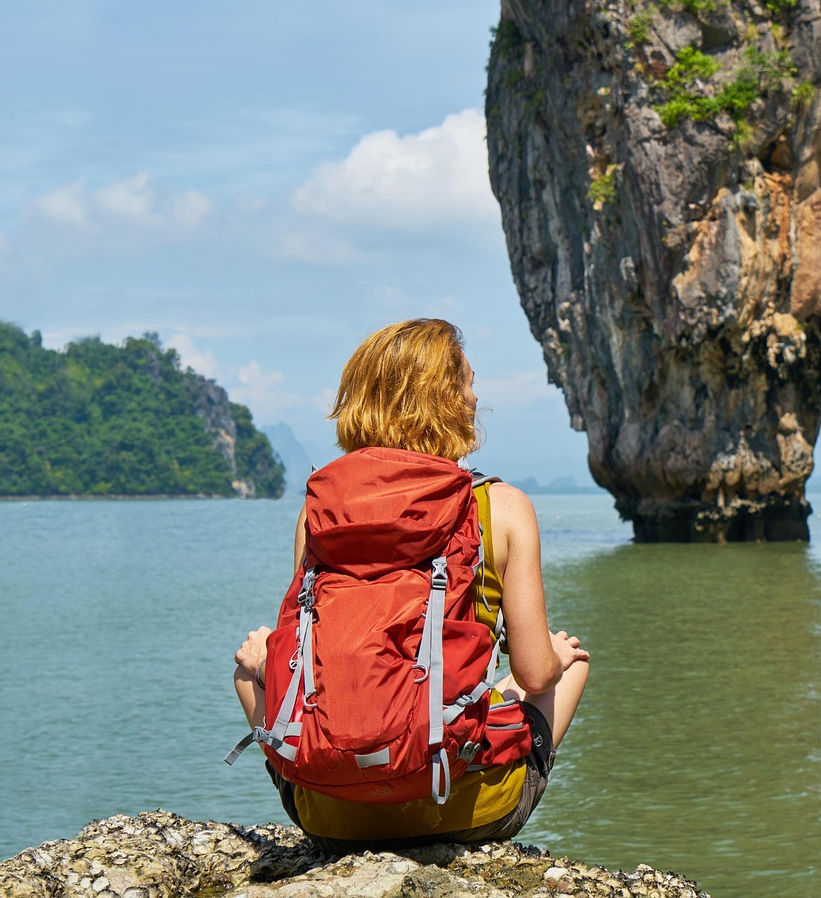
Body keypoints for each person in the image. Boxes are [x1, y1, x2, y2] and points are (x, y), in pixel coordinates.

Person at [232, 318, 590, 850]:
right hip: (464, 806)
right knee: (568, 665)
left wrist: (263, 661)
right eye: (467, 381)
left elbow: (303, 659)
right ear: (446, 400)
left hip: (330, 818)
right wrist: (555, 656)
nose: (476, 396)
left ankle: (335, 795)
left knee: (246, 669)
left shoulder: (318, 511)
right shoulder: (502, 507)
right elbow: (536, 675)